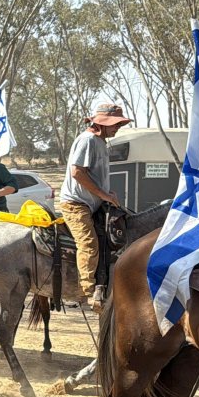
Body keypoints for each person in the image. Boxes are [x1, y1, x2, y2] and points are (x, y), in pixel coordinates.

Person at [56, 102, 129, 312]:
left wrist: (108, 194)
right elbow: (77, 172)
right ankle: (87, 292)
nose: (118, 127)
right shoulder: (88, 140)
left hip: (93, 203)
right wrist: (103, 194)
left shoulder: (99, 141)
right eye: (115, 124)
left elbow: (95, 177)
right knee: (88, 243)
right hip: (76, 204)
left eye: (119, 123)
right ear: (102, 123)